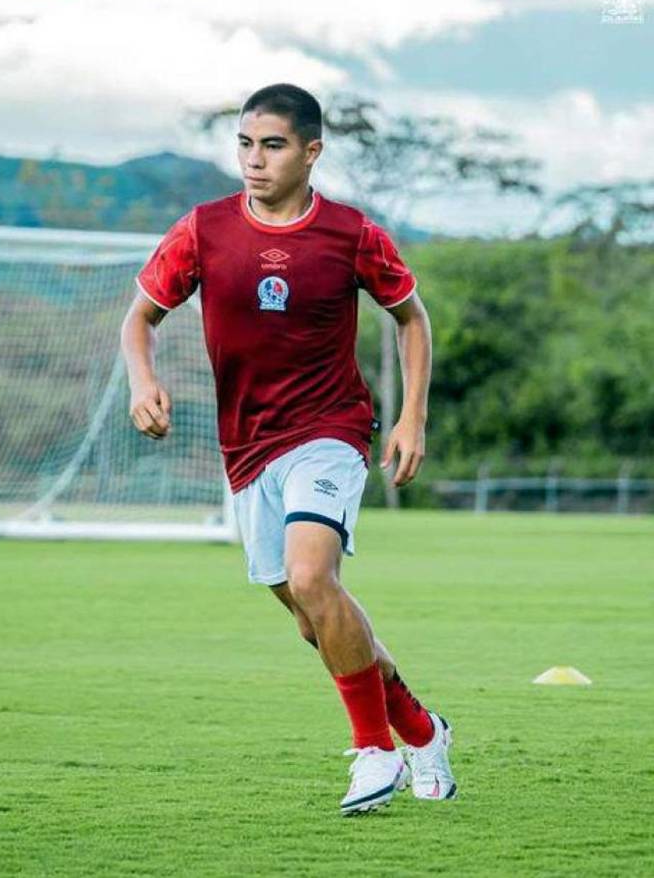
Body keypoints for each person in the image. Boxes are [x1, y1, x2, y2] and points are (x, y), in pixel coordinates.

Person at [120, 83, 456, 815]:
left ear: (311, 151)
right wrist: (141, 381)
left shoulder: (352, 234)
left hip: (331, 431)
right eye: (244, 144)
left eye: (271, 145)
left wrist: (412, 419)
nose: (254, 160)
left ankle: (375, 754)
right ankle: (425, 732)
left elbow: (413, 319)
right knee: (315, 615)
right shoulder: (203, 230)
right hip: (246, 448)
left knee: (313, 579)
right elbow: (140, 317)